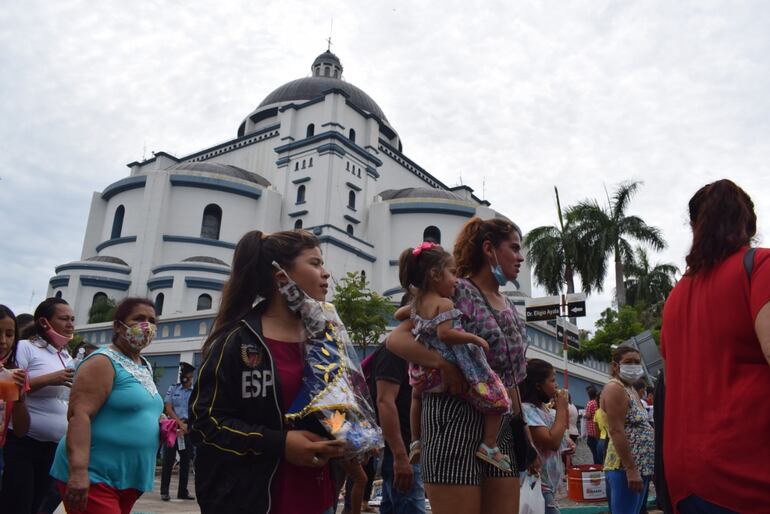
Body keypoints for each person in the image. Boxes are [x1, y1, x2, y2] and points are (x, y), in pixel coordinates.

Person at [188, 230, 346, 514]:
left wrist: (349, 433)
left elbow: (329, 410)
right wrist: (279, 443)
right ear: (281, 276)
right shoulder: (236, 341)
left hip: (319, 497)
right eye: (315, 263)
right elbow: (205, 423)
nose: (326, 274)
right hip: (254, 500)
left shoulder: (324, 340)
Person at [387, 217, 528, 514]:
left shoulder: (509, 304)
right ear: (489, 249)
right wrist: (443, 364)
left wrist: (522, 429)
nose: (520, 256)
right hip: (454, 415)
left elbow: (511, 378)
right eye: (514, 248)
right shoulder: (454, 292)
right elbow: (396, 339)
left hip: (499, 422)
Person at [661, 179, 770, 513]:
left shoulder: (675, 298)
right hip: (750, 475)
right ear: (748, 224)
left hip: (687, 478)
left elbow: (668, 379)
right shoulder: (760, 266)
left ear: (696, 228)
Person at [395, 242, 511, 471]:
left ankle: (416, 440)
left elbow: (398, 314)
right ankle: (489, 445)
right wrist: (473, 338)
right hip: (456, 365)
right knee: (498, 399)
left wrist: (416, 310)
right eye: (453, 273)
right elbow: (445, 334)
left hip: (423, 373)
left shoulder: (417, 304)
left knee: (416, 397)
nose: (456, 280)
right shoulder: (445, 302)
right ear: (435, 274)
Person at [50, 298, 164, 514]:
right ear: (118, 326)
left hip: (126, 477)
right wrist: (79, 471)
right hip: (95, 474)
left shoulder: (144, 364)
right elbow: (79, 415)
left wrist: (160, 422)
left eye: (151, 320)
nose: (146, 326)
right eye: (139, 318)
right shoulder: (102, 361)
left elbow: (138, 409)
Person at [0, 298, 74, 513]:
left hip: (49, 445)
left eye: (9, 334)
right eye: (64, 318)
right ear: (44, 322)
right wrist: (48, 379)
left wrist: (21, 395)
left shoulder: (66, 356)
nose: (4, 341)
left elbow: (20, 426)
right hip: (20, 448)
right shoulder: (26, 348)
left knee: (34, 504)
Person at [370, 343, 426, 514]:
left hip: (406, 452)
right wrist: (400, 457)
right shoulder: (393, 350)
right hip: (400, 453)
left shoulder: (412, 349)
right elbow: (384, 401)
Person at [601, 346, 654, 514]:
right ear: (615, 366)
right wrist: (631, 469)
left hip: (640, 467)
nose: (633, 366)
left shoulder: (630, 389)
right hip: (624, 468)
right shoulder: (615, 388)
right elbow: (616, 430)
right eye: (628, 362)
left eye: (637, 362)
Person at [519, 359, 573, 514]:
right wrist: (562, 408)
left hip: (549, 483)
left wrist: (567, 444)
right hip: (537, 482)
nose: (556, 385)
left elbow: (556, 440)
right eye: (552, 380)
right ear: (538, 385)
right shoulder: (527, 409)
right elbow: (551, 442)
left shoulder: (543, 409)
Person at [0, 305, 31, 481]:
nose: (3, 341)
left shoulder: (15, 375)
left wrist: (19, 399)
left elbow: (20, 431)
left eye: (9, 334)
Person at [159, 362, 195, 501]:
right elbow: (168, 407)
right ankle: (164, 491)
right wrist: (179, 424)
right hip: (173, 428)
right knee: (168, 460)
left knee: (186, 462)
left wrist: (187, 427)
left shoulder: (195, 392)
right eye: (186, 377)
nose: (188, 380)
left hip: (187, 429)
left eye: (190, 377)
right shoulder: (174, 389)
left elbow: (196, 411)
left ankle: (182, 492)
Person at [583, 385, 599, 464]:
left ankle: (597, 466)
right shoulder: (597, 402)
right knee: (598, 451)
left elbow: (588, 415)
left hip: (591, 431)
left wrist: (584, 415)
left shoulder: (590, 403)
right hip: (597, 431)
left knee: (594, 452)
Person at [593, 392, 608, 466]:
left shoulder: (597, 412)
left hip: (600, 442)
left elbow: (596, 432)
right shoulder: (611, 411)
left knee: (602, 465)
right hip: (609, 441)